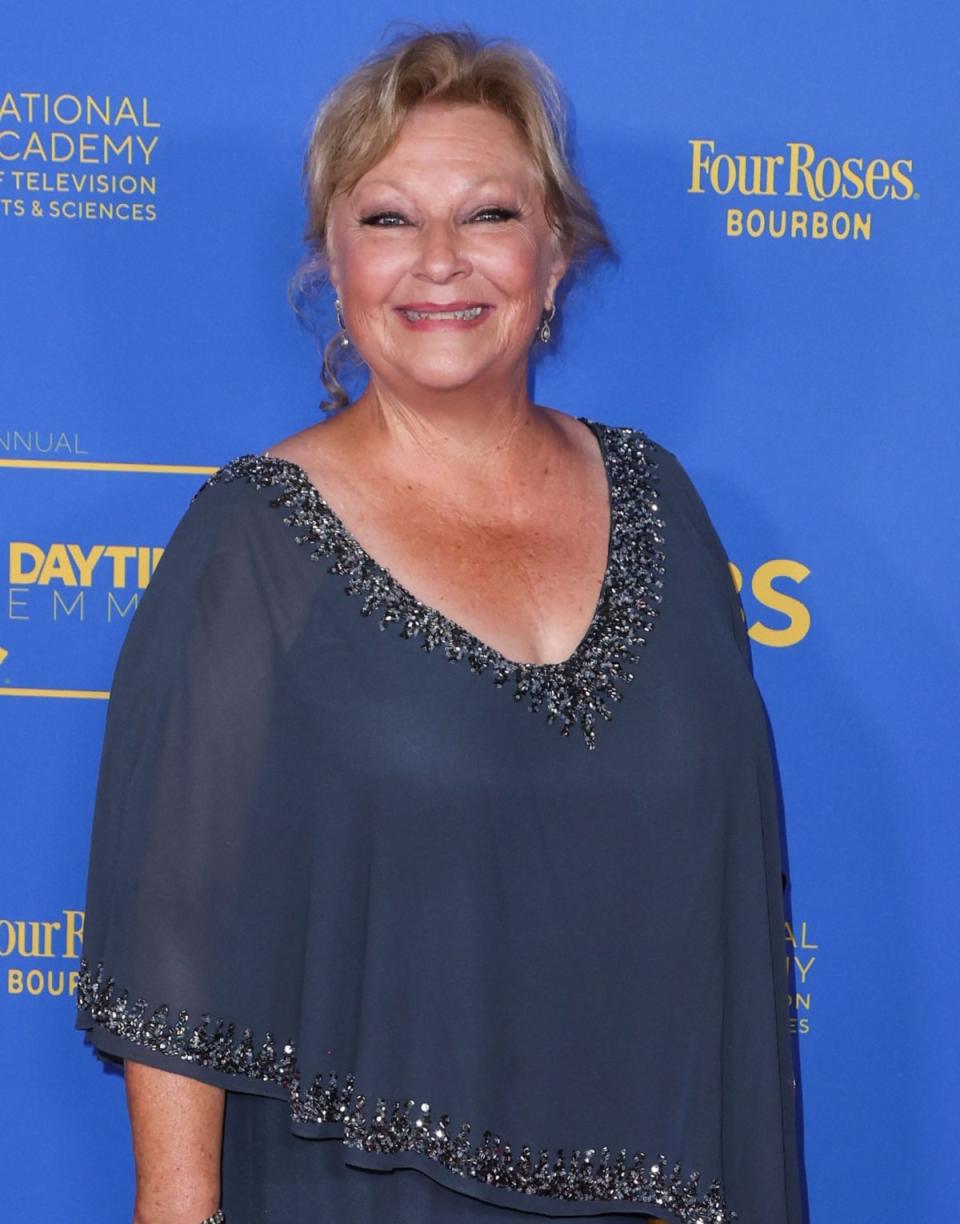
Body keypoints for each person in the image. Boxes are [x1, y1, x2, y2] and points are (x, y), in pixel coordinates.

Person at [75, 26, 805, 1224]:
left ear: (556, 256)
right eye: (388, 219)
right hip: (363, 1192)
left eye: (488, 216)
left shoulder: (663, 500)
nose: (439, 264)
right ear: (332, 263)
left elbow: (731, 901)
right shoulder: (253, 538)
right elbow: (175, 941)